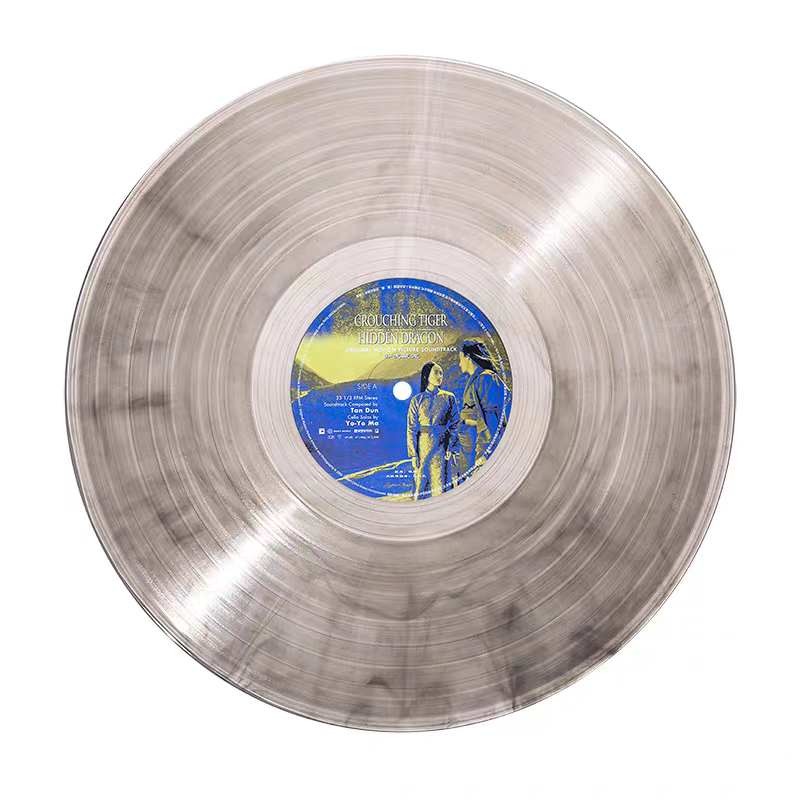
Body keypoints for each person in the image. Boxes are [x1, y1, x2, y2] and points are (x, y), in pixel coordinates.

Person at [406, 362, 460, 500]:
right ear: (426, 375)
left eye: (441, 373)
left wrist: (451, 447)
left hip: (442, 445)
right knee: (422, 482)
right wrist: (413, 455)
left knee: (441, 481)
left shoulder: (449, 397)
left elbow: (455, 424)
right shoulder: (417, 400)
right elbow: (411, 428)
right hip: (423, 446)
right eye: (436, 372)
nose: (439, 376)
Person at [457, 339, 510, 475]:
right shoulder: (476, 380)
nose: (459, 364)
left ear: (468, 357)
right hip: (471, 449)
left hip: (482, 450)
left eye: (460, 358)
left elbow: (490, 420)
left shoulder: (485, 378)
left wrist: (485, 453)